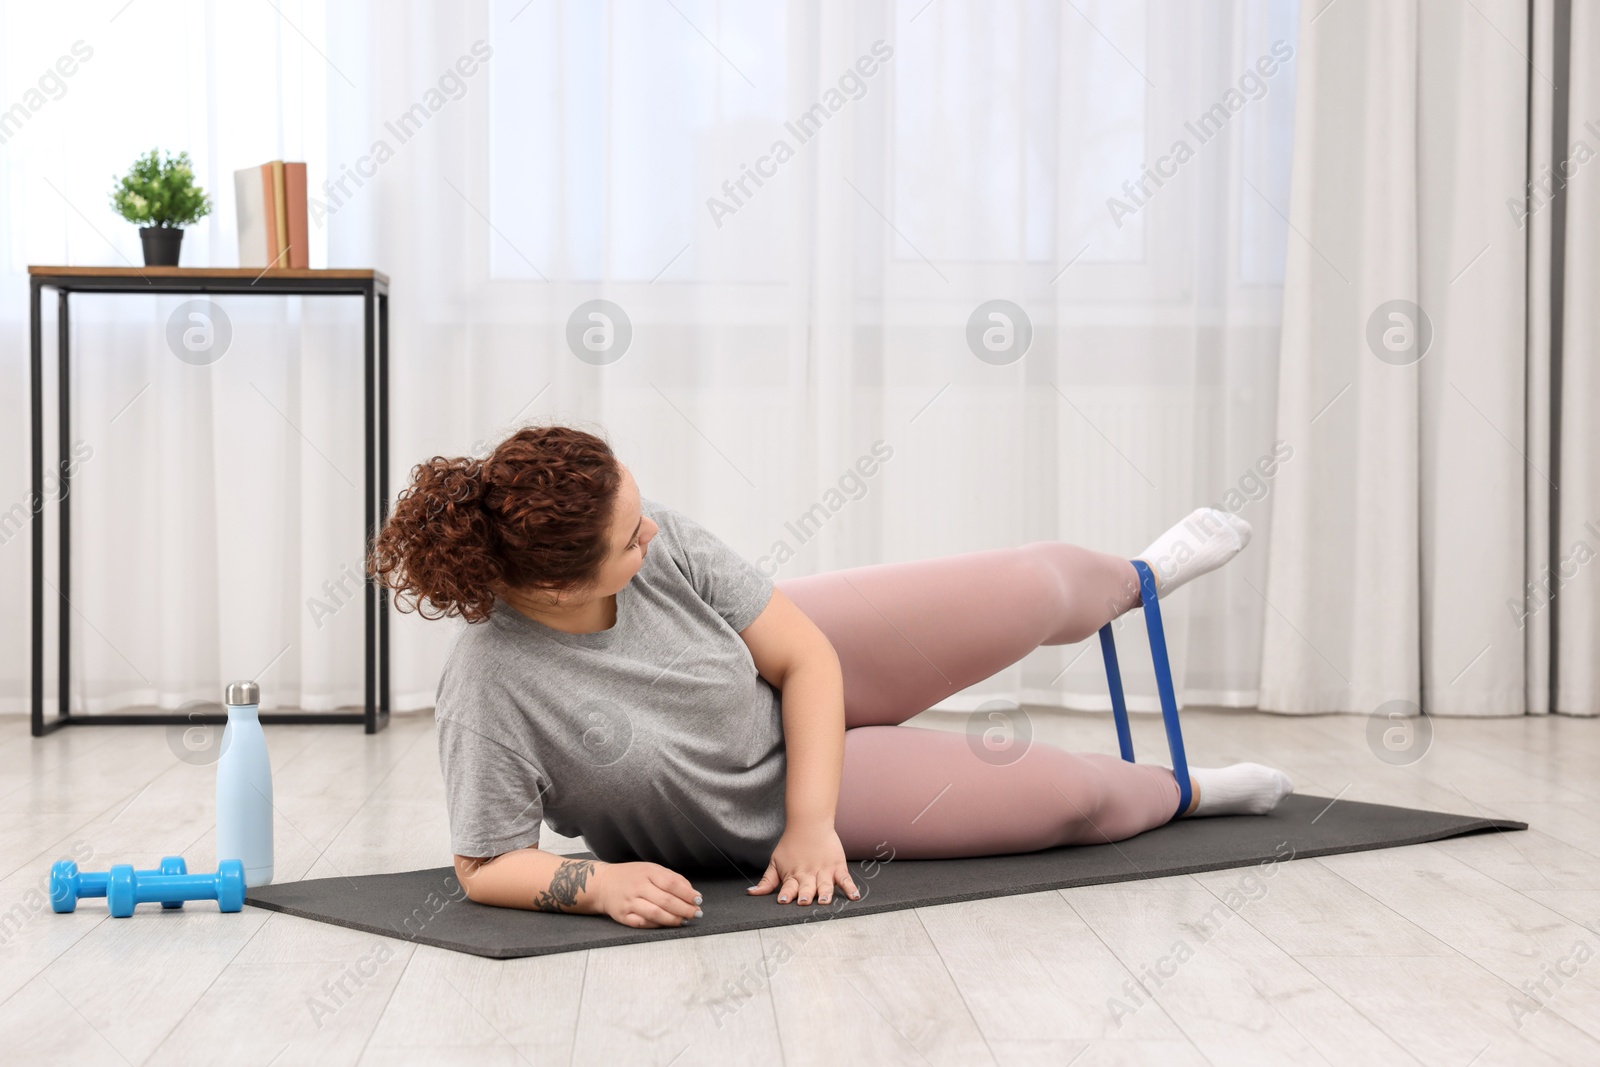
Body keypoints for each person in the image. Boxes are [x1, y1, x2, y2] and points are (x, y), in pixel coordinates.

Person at [369, 425, 1294, 930]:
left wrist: (816, 827)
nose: (654, 535)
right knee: (1073, 804)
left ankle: (1141, 575)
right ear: (553, 584)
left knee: (1029, 586)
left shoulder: (663, 541)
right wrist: (598, 885)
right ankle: (1190, 790)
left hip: (797, 667)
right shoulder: (491, 688)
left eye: (642, 510)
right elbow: (485, 861)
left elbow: (805, 655)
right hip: (754, 806)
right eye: (630, 537)